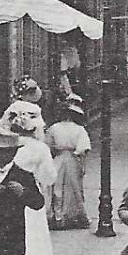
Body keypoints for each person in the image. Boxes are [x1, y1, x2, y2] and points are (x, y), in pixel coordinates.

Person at [0, 98, 58, 255]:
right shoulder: (39, 148)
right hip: (31, 196)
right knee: (33, 236)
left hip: (7, 195)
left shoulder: (4, 146)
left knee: (9, 236)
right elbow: (49, 177)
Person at [45, 96, 93, 230]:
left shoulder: (54, 128)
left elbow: (48, 146)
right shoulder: (79, 129)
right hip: (73, 158)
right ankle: (75, 216)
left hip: (59, 159)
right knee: (75, 188)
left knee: (57, 188)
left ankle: (58, 217)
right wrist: (83, 165)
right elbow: (82, 149)